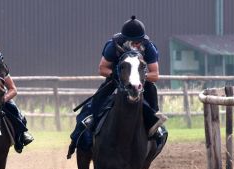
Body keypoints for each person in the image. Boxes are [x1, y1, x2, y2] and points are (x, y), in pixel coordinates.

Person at [67, 16, 167, 158]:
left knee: (154, 113)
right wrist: (118, 75)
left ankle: (155, 133)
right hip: (116, 82)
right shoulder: (112, 46)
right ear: (125, 39)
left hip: (142, 85)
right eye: (134, 41)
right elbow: (102, 69)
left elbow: (155, 75)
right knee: (91, 110)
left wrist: (138, 77)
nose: (137, 44)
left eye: (139, 42)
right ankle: (82, 136)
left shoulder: (149, 47)